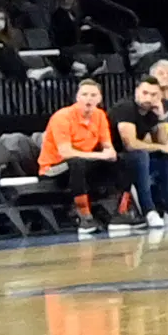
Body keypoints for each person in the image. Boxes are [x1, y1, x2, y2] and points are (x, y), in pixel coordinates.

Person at [39, 76, 130, 233]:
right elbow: (66, 153)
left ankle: (121, 212)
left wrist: (108, 154)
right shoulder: (62, 117)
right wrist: (101, 155)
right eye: (84, 94)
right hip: (53, 168)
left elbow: (109, 150)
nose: (89, 99)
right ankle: (84, 216)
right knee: (77, 162)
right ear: (77, 97)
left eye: (93, 95)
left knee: (123, 160)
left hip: (83, 162)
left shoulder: (100, 115)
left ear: (99, 99)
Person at [114, 77, 168, 226]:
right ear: (136, 91)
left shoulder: (151, 112)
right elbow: (130, 145)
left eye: (153, 94)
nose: (148, 98)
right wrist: (160, 147)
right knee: (141, 155)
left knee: (165, 155)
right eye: (145, 93)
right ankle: (149, 211)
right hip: (115, 158)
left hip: (135, 157)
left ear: (159, 96)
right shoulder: (126, 108)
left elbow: (163, 142)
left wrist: (161, 118)